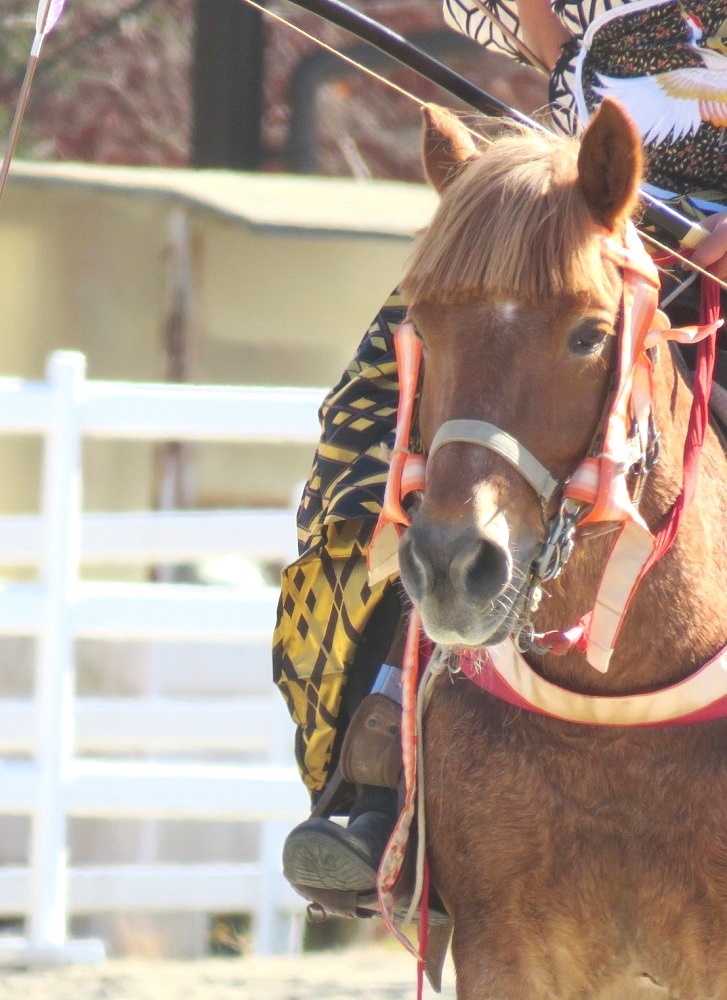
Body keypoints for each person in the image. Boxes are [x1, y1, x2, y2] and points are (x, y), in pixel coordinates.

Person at [274, 0, 727, 914]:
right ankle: (382, 754)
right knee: (374, 437)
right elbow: (528, 29)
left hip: (703, 254)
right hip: (579, 235)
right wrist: (543, 29)